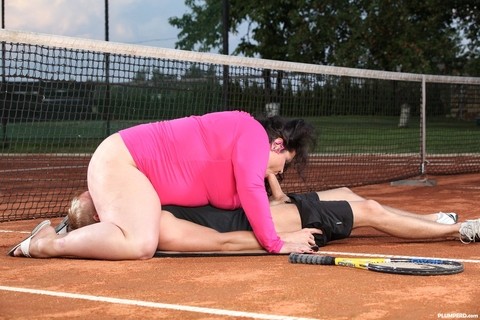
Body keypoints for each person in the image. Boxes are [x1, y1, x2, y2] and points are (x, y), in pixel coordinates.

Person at [7, 111, 318, 259]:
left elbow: (239, 197)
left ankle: (70, 231)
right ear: (277, 145)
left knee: (137, 238)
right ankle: (44, 244)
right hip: (123, 161)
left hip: (129, 169)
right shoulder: (250, 132)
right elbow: (251, 189)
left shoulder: (239, 153)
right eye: (285, 164)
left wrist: (275, 195)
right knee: (140, 245)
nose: (279, 172)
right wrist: (275, 242)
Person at [57, 174, 480, 253]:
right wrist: (280, 243)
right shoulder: (154, 226)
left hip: (278, 212)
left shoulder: (150, 201)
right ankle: (460, 231)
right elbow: (221, 241)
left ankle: (433, 221)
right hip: (282, 225)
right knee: (367, 209)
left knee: (354, 196)